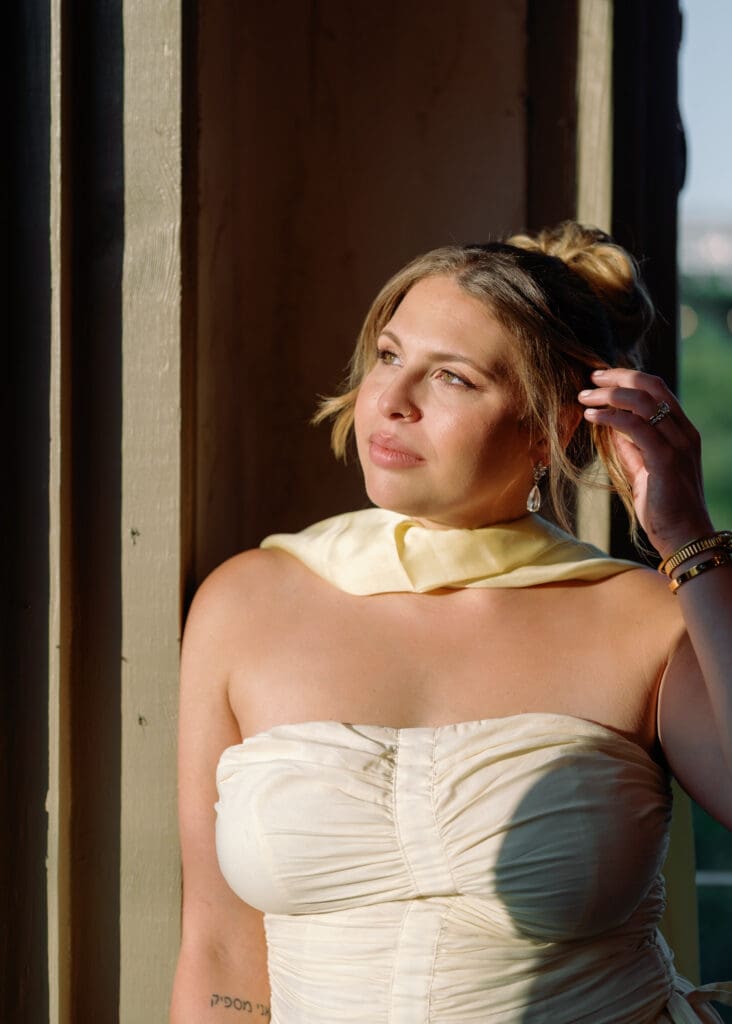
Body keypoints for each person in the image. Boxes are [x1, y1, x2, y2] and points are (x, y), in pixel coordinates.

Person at [170, 222, 732, 1023]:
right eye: (390, 357)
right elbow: (219, 946)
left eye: (454, 379)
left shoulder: (642, 619)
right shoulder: (246, 602)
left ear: (550, 427)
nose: (392, 401)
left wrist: (687, 538)